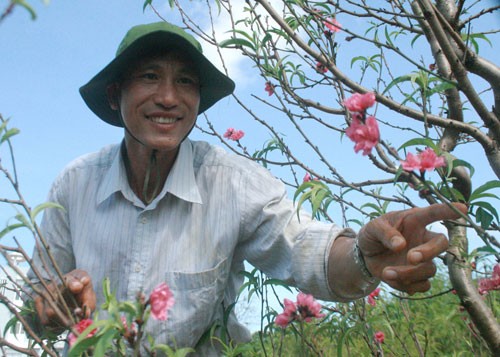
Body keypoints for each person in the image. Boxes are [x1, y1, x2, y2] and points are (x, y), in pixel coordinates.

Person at [27, 21, 467, 355]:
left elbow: (304, 250)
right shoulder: (74, 185)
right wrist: (51, 310)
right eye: (148, 77)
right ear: (113, 95)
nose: (168, 97)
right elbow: (36, 311)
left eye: (185, 81)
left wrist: (362, 256)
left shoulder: (231, 181)